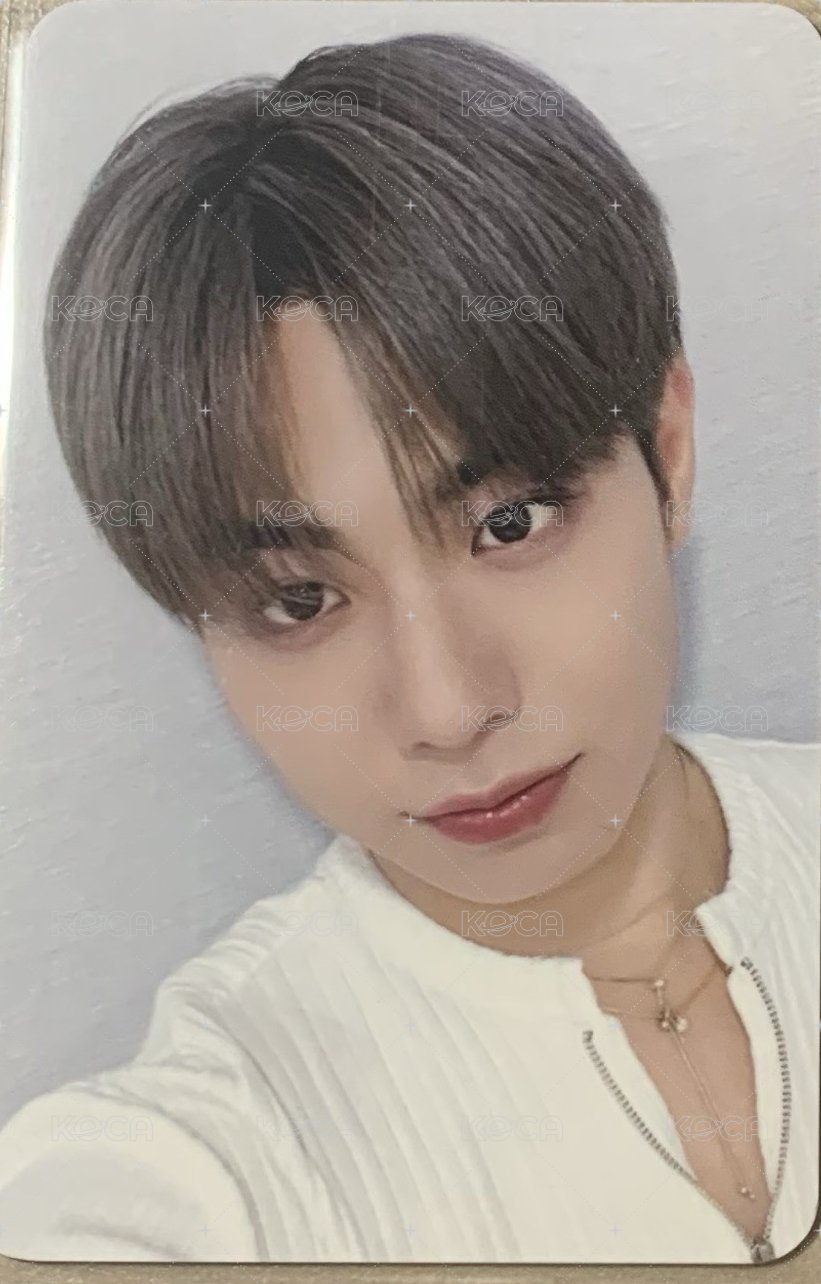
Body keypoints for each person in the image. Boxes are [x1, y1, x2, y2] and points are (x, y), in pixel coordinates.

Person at [0, 31, 817, 1266]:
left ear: (669, 451)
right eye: (296, 600)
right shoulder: (208, 1154)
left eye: (507, 523)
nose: (444, 708)